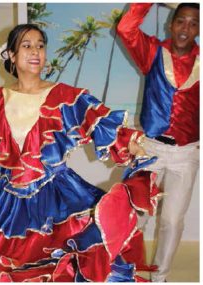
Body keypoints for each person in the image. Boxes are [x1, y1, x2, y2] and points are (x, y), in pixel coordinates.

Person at [0, 23, 159, 282]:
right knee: (1, 270)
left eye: (40, 45)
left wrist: (131, 143)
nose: (35, 51)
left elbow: (99, 122)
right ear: (12, 56)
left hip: (57, 200)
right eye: (26, 46)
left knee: (61, 267)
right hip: (3, 204)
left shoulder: (66, 97)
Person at [117, 3, 199, 282]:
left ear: (199, 29)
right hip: (148, 148)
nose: (186, 29)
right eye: (181, 21)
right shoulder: (152, 52)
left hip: (186, 154)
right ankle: (123, 271)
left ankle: (159, 278)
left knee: (172, 221)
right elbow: (125, 27)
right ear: (171, 24)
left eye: (193, 23)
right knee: (134, 214)